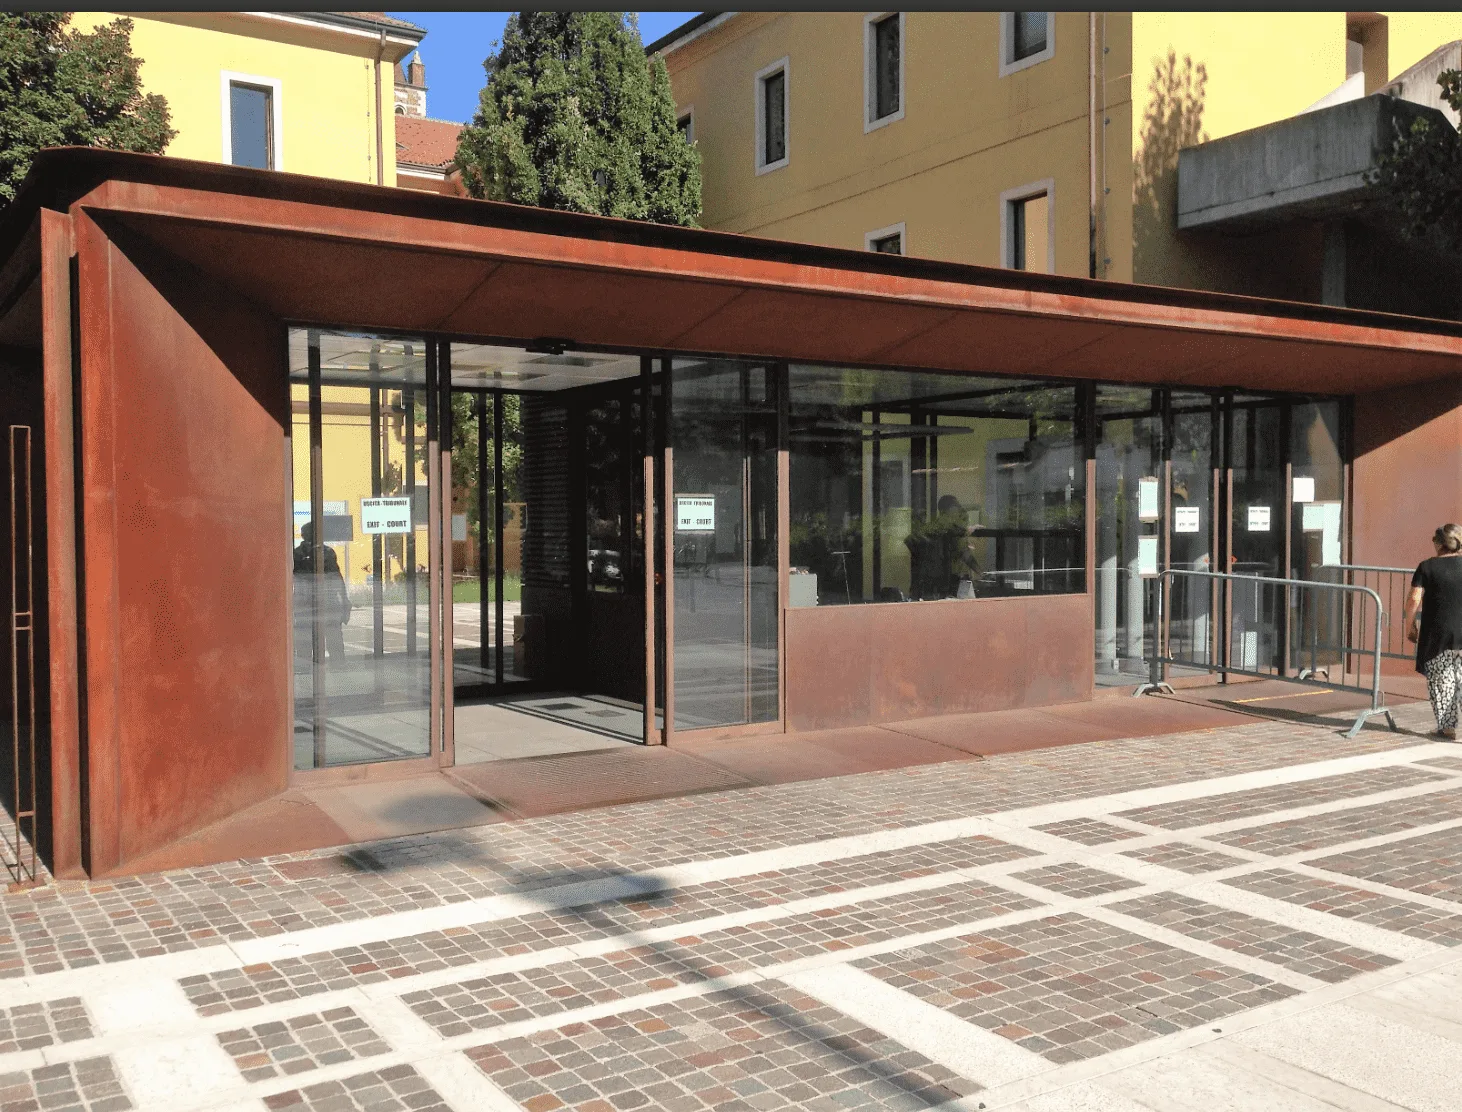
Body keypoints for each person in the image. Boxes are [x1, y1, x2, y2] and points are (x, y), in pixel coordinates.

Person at [1405, 523, 1462, 740]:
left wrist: (1410, 625)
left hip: (1438, 634)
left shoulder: (1427, 567)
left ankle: (1447, 728)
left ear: (1438, 544)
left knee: (1442, 681)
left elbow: (1414, 599)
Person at [294, 521, 351, 663]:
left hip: (311, 603)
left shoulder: (299, 553)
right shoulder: (323, 552)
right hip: (321, 602)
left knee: (308, 642)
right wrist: (344, 600)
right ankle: (337, 666)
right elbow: (337, 577)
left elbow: (336, 577)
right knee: (332, 640)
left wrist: (344, 600)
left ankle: (309, 668)